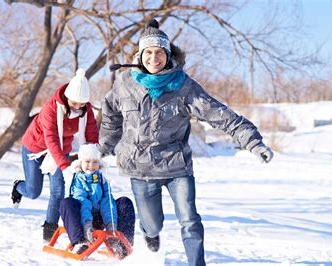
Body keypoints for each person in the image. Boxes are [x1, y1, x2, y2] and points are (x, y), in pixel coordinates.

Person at [99, 19, 274, 265]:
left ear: (168, 54)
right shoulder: (125, 85)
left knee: (190, 219)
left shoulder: (183, 87)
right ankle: (151, 233)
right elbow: (110, 120)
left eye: (159, 52)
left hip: (176, 167)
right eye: (147, 52)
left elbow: (221, 116)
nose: (153, 58)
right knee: (151, 224)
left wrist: (254, 142)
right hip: (140, 168)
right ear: (140, 56)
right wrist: (99, 150)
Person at [11, 69, 99, 242]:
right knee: (33, 190)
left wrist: (93, 155)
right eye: (75, 103)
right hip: (35, 148)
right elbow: (50, 139)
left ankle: (49, 229)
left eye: (82, 104)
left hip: (62, 148)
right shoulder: (51, 108)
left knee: (58, 191)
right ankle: (18, 187)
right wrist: (65, 167)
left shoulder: (85, 110)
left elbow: (91, 132)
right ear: (67, 97)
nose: (78, 107)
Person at [59, 143, 135, 258]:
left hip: (100, 218)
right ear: (81, 162)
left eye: (95, 162)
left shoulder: (102, 179)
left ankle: (122, 243)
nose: (91, 166)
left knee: (125, 202)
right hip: (81, 220)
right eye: (87, 162)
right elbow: (83, 202)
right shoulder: (76, 179)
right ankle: (80, 242)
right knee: (67, 202)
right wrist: (87, 225)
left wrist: (111, 224)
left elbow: (107, 203)